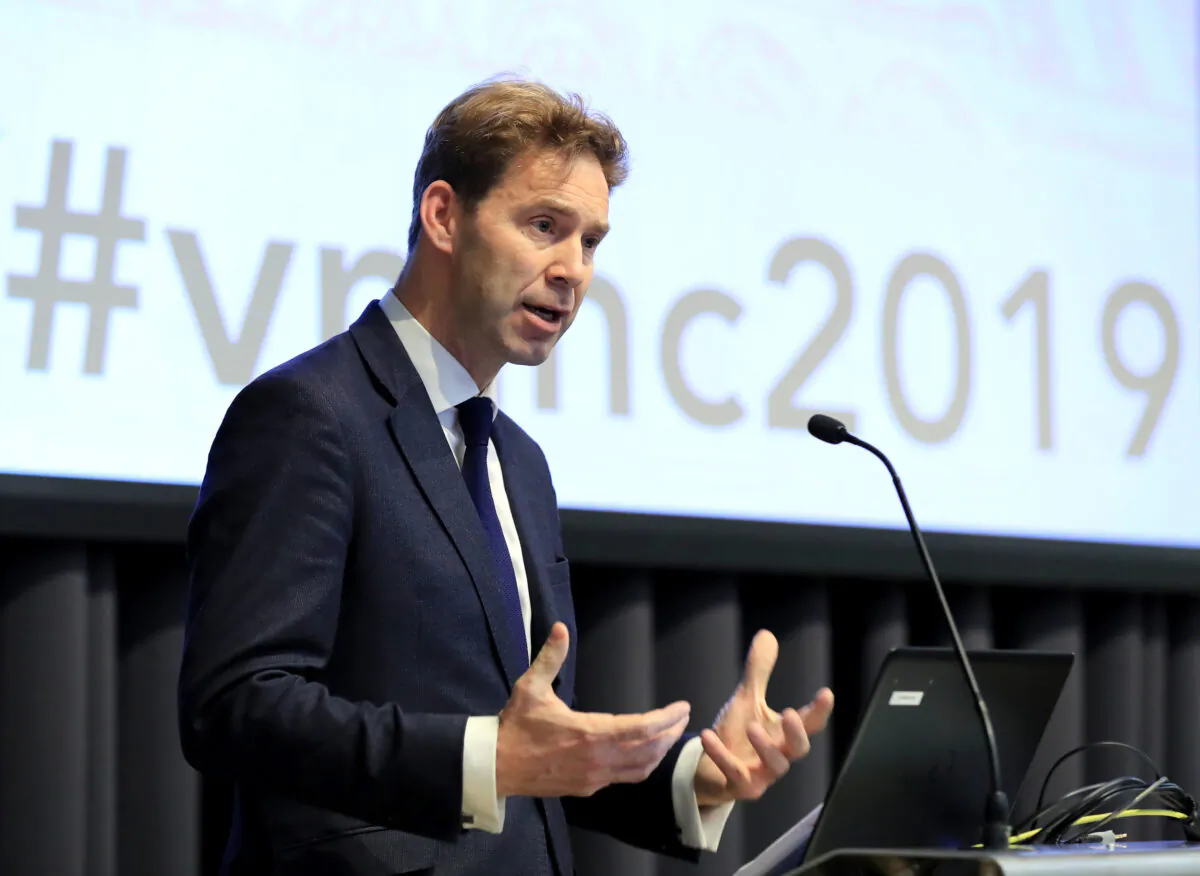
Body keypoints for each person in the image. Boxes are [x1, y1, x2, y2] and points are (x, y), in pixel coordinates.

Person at [178, 77, 835, 876]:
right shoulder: (309, 415)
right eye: (544, 226)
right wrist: (486, 759)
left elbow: (535, 753)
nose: (572, 270)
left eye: (591, 241)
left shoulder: (518, 461)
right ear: (444, 216)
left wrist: (696, 779)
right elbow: (236, 705)